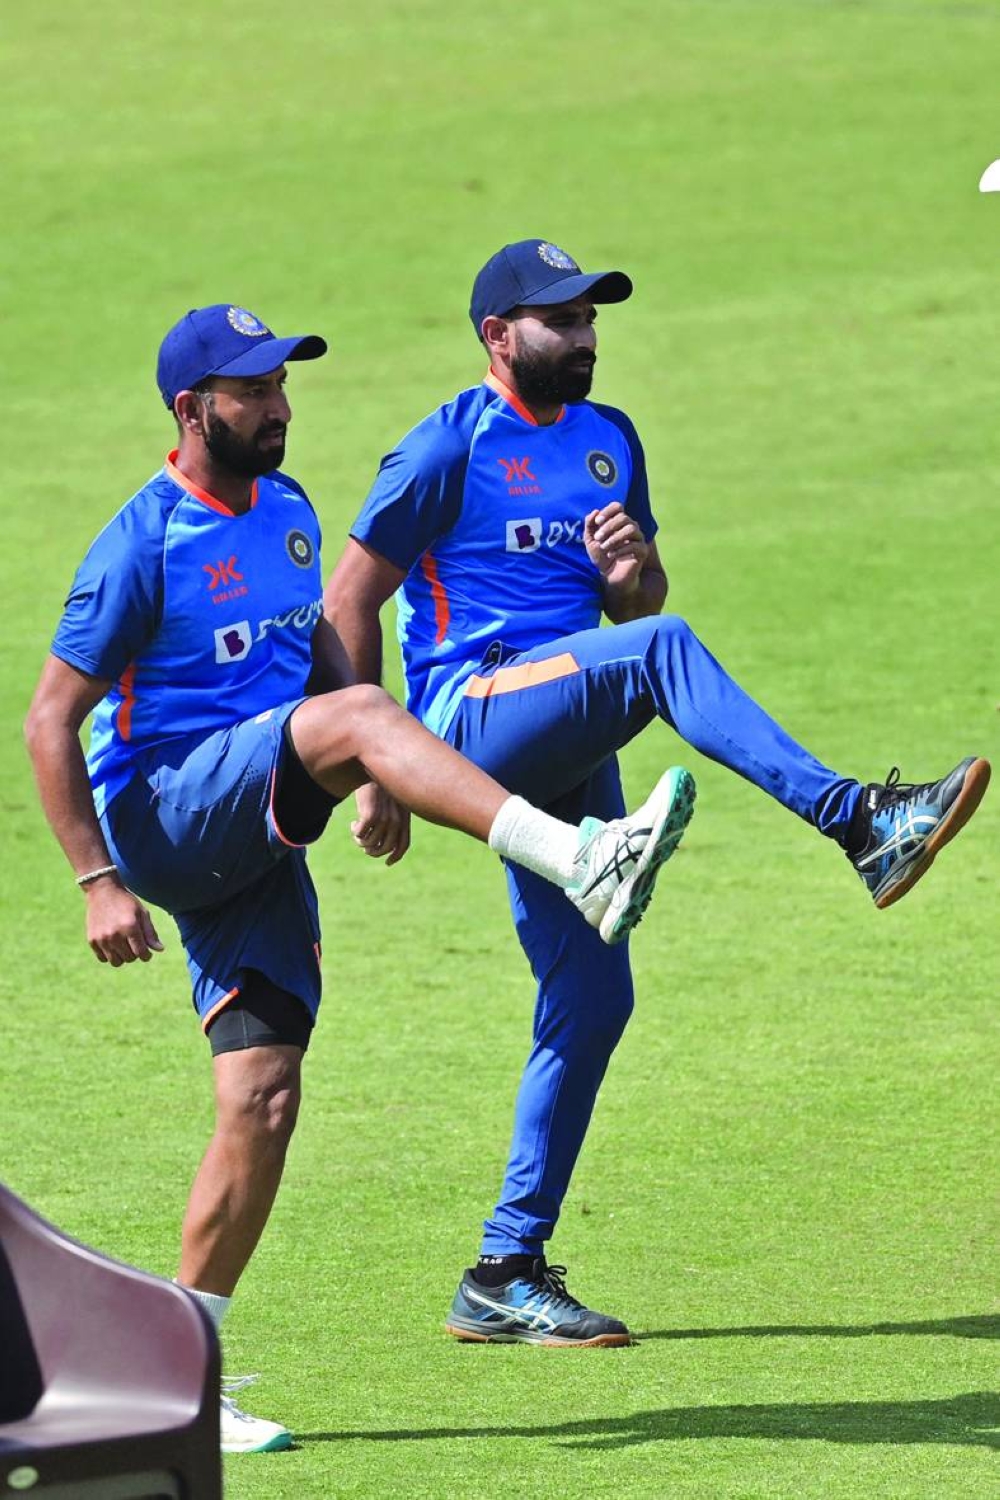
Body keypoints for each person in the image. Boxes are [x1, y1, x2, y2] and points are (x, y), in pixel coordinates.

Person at [23, 302, 694, 1452]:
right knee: (364, 714)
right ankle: (577, 854)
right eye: (252, 393)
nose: (279, 407)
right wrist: (96, 879)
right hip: (172, 807)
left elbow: (319, 650)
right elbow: (49, 722)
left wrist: (371, 771)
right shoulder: (139, 542)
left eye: (282, 387)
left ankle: (171, 1374)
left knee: (263, 1100)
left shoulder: (283, 509)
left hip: (259, 830)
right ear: (190, 412)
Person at [325, 238, 991, 1348]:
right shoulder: (445, 445)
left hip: (569, 716)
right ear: (499, 338)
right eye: (560, 322)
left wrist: (631, 575)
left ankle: (503, 1269)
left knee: (592, 1002)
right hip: (472, 721)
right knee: (660, 653)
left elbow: (637, 608)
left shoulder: (608, 440)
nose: (584, 338)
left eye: (590, 320)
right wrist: (372, 768)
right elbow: (350, 600)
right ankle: (860, 823)